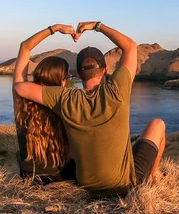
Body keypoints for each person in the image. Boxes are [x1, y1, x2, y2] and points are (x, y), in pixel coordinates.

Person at [14, 21, 166, 197]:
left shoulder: (66, 99)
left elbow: (20, 87)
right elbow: (130, 46)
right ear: (106, 70)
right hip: (123, 187)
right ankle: (148, 180)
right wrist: (96, 26)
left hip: (87, 186)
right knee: (158, 124)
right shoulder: (117, 90)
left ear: (78, 74)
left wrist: (53, 29)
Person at [12, 24, 78, 183]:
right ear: (60, 81)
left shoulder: (22, 102)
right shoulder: (67, 104)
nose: (68, 82)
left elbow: (25, 47)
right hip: (61, 177)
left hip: (29, 177)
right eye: (67, 78)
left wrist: (54, 29)